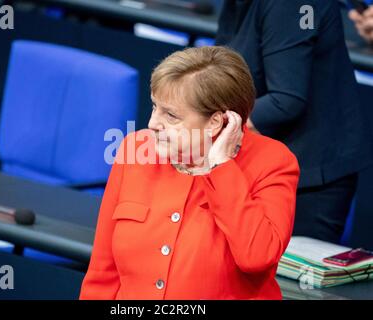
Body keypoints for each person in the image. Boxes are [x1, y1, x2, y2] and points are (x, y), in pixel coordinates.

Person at [79, 46, 300, 300]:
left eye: (171, 115)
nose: (153, 124)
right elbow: (103, 273)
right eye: (154, 106)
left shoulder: (272, 162)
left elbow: (256, 257)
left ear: (217, 122)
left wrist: (221, 167)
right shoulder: (135, 149)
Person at [216, 0, 373, 244]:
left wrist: (203, 127)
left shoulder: (292, 4)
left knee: (284, 280)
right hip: (261, 166)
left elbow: (285, 100)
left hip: (308, 178)